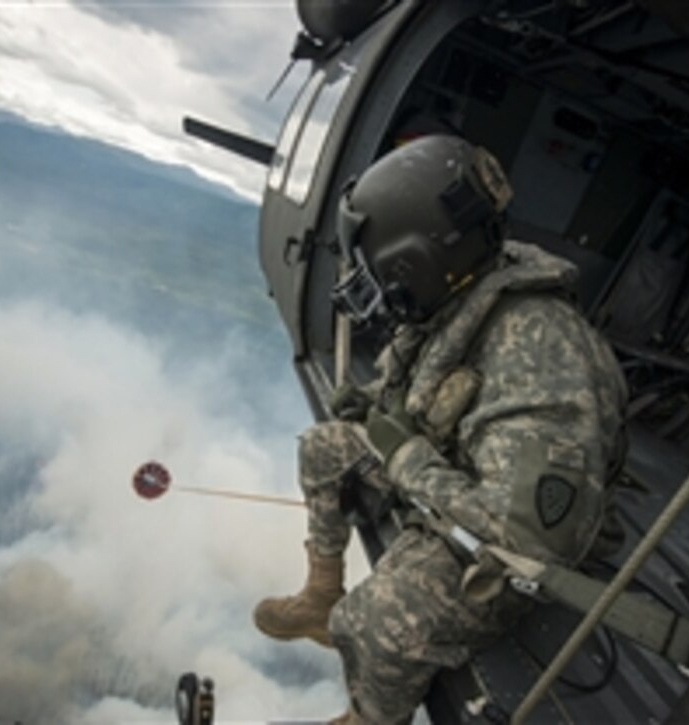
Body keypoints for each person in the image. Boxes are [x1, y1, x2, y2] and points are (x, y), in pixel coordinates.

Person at [253, 135, 628, 724]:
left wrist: (406, 462)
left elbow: (528, 541)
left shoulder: (539, 351)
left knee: (372, 623)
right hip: (459, 472)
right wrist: (374, 407)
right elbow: (434, 392)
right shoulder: (465, 296)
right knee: (324, 448)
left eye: (379, 270)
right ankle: (322, 591)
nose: (370, 285)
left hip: (513, 547)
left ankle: (372, 716)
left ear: (417, 261)